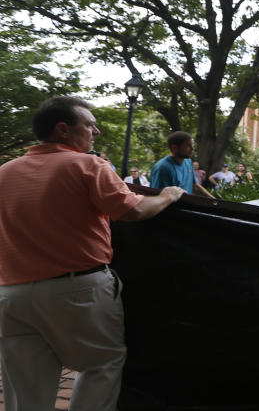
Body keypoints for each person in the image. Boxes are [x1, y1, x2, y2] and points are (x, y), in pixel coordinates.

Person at [0, 96, 185, 410]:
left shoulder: (4, 172)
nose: (96, 132)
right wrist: (168, 196)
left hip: (11, 295)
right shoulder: (86, 164)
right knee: (101, 364)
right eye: (90, 125)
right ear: (63, 129)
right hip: (78, 290)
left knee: (25, 386)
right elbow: (134, 210)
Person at [150, 131, 214, 198]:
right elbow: (158, 197)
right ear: (175, 148)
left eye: (192, 145)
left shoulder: (188, 162)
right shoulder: (163, 168)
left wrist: (214, 200)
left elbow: (195, 185)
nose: (192, 149)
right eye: (188, 146)